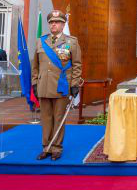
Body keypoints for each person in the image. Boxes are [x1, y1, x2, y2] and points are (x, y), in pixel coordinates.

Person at [32, 10, 83, 161]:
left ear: (63, 24)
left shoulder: (71, 42)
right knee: (46, 118)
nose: (54, 24)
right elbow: (35, 65)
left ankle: (56, 148)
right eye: (51, 22)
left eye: (57, 22)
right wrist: (35, 82)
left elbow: (77, 65)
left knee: (59, 118)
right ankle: (46, 147)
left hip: (61, 86)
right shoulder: (41, 41)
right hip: (43, 85)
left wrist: (74, 84)